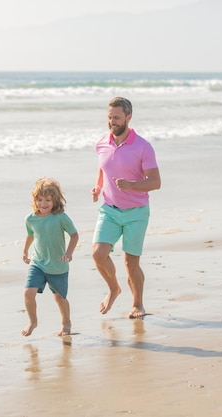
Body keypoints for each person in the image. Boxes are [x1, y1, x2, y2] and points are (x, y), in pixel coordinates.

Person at [91, 97, 161, 319]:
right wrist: (98, 186)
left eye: (117, 117)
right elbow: (103, 168)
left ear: (129, 117)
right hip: (110, 209)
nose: (112, 122)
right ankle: (114, 289)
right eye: (110, 117)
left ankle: (138, 304)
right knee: (98, 254)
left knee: (131, 263)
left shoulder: (143, 147)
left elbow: (155, 182)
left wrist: (131, 186)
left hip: (136, 212)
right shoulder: (101, 143)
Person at [22, 177, 79, 337]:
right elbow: (30, 235)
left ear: (56, 200)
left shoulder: (60, 217)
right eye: (39, 200)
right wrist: (25, 251)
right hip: (38, 263)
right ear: (35, 200)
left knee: (59, 297)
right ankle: (33, 321)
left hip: (58, 265)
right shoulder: (30, 218)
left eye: (48, 200)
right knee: (28, 293)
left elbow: (74, 235)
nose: (43, 203)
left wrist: (69, 252)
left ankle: (66, 323)